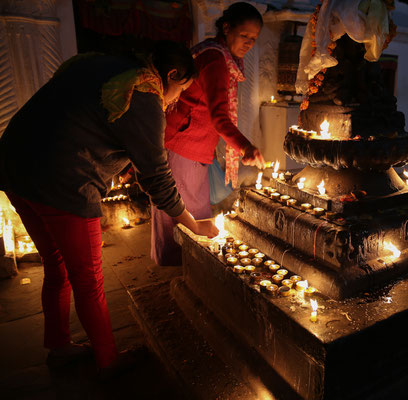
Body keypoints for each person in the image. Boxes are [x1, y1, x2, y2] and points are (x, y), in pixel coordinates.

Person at [0, 41, 219, 373]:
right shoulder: (143, 93)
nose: (175, 100)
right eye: (181, 89)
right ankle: (109, 362)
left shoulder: (105, 63)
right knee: (88, 280)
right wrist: (192, 223)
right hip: (63, 181)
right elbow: (158, 177)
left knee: (56, 266)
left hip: (15, 168)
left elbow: (88, 119)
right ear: (171, 74)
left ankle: (59, 347)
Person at [151, 2, 266, 266]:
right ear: (227, 28)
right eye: (244, 35)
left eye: (254, 39)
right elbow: (218, 115)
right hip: (185, 144)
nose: (249, 43)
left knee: (182, 208)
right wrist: (245, 147)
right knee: (185, 211)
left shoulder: (214, 53)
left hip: (186, 142)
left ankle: (176, 262)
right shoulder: (216, 60)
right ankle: (182, 266)